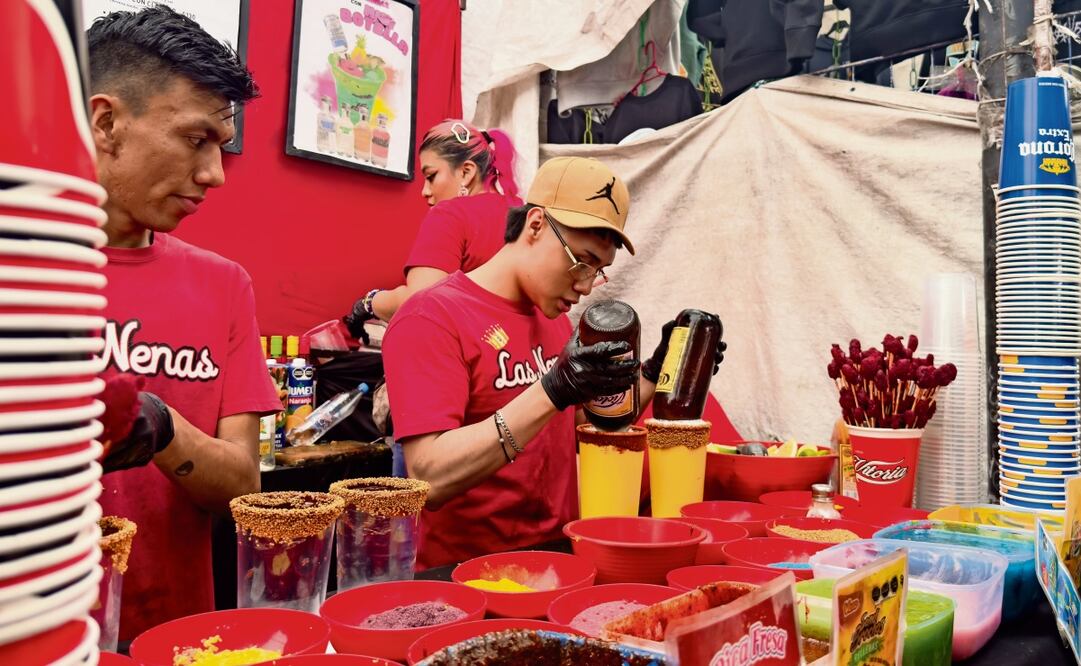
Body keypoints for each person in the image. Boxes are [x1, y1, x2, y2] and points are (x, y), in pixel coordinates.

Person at [382, 156, 725, 568]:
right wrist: (550, 390)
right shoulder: (432, 317)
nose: (584, 285)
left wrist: (655, 372)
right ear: (536, 225)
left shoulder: (556, 323)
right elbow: (428, 477)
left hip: (559, 560)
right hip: (469, 575)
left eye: (598, 270)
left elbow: (588, 421)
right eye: (581, 261)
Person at [87, 6, 280, 639]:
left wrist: (162, 426)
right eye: (196, 139)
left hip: (183, 637)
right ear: (107, 122)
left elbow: (242, 485)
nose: (214, 175)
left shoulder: (224, 284)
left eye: (220, 148)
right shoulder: (27, 272)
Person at [344, 119, 520, 330]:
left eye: (431, 176)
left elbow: (420, 302)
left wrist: (370, 302)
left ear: (466, 172)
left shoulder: (452, 214)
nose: (425, 191)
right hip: (522, 357)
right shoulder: (522, 214)